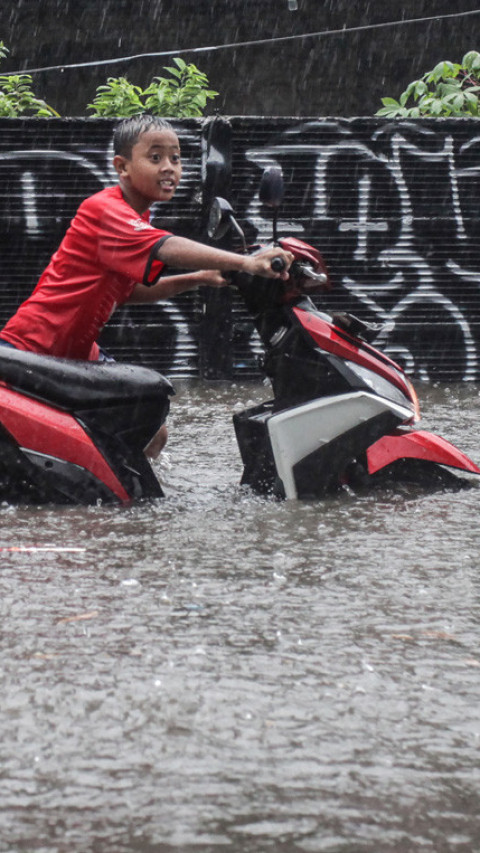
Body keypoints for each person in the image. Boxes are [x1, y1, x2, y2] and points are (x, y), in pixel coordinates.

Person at [0, 115, 293, 456]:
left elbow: (126, 293)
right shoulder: (105, 210)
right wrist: (244, 262)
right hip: (31, 350)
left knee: (151, 431)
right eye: (155, 158)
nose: (169, 168)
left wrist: (197, 279)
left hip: (75, 356)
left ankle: (121, 508)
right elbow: (165, 246)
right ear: (122, 167)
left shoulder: (137, 217)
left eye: (176, 158)